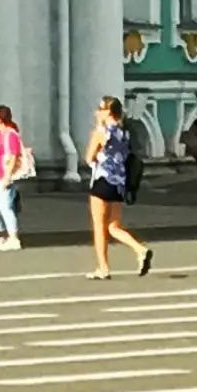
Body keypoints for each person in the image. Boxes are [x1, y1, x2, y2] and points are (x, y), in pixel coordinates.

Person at [84, 97, 154, 279]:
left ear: (108, 112)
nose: (97, 112)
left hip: (102, 180)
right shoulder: (124, 131)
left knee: (99, 226)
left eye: (101, 109)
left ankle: (103, 267)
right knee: (114, 225)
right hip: (119, 182)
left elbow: (89, 157)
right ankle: (140, 249)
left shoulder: (101, 131)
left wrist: (98, 128)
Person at [0, 105, 27, 251]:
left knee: (5, 207)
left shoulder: (10, 134)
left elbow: (13, 156)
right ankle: (5, 235)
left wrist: (8, 176)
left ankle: (14, 238)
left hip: (5, 177)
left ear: (1, 118)